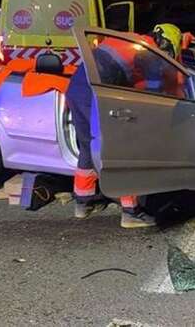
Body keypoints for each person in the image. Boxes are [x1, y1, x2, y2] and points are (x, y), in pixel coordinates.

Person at [66, 53, 157, 229]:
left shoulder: (126, 44)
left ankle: (83, 204)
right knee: (123, 152)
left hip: (77, 90)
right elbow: (153, 91)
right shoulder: (148, 53)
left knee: (87, 146)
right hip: (97, 92)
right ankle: (131, 213)